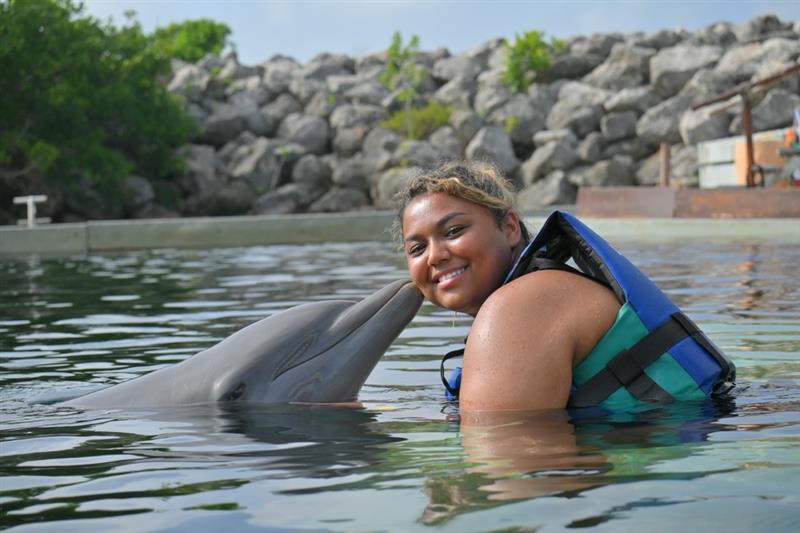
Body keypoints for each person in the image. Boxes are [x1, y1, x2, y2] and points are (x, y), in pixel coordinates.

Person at [394, 160, 735, 413]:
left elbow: (501, 469)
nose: (435, 256)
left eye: (453, 231)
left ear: (510, 227)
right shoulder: (539, 290)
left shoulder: (518, 308)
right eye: (417, 248)